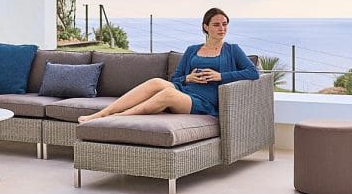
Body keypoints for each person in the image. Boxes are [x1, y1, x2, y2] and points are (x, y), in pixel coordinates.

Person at [78, 7, 259, 122]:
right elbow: (175, 78)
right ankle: (101, 114)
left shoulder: (232, 50)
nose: (222, 28)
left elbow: (253, 72)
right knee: (157, 82)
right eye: (217, 25)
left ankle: (118, 117)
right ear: (206, 27)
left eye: (225, 24)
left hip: (204, 101)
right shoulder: (192, 50)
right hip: (184, 89)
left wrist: (220, 76)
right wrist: (188, 78)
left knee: (168, 93)